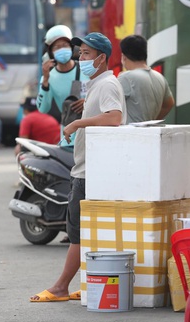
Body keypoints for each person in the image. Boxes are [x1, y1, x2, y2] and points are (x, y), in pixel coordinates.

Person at [30, 32, 126, 302]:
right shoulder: (97, 83)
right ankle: (85, 283)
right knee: (85, 230)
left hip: (89, 171)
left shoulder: (106, 84)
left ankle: (61, 286)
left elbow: (114, 118)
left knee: (77, 232)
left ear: (101, 58)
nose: (79, 57)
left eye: (85, 53)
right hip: (87, 166)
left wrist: (76, 123)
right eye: (80, 53)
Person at [36, 25, 89, 145]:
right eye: (57, 47)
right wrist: (45, 80)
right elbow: (43, 108)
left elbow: (101, 95)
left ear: (71, 47)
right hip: (69, 138)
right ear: (50, 52)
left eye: (65, 45)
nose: (62, 49)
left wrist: (87, 102)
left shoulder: (85, 70)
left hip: (90, 134)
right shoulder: (48, 77)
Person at [118, 34, 175, 123]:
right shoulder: (160, 77)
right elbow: (169, 104)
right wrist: (150, 122)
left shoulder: (126, 77)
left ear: (124, 57)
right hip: (149, 133)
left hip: (129, 134)